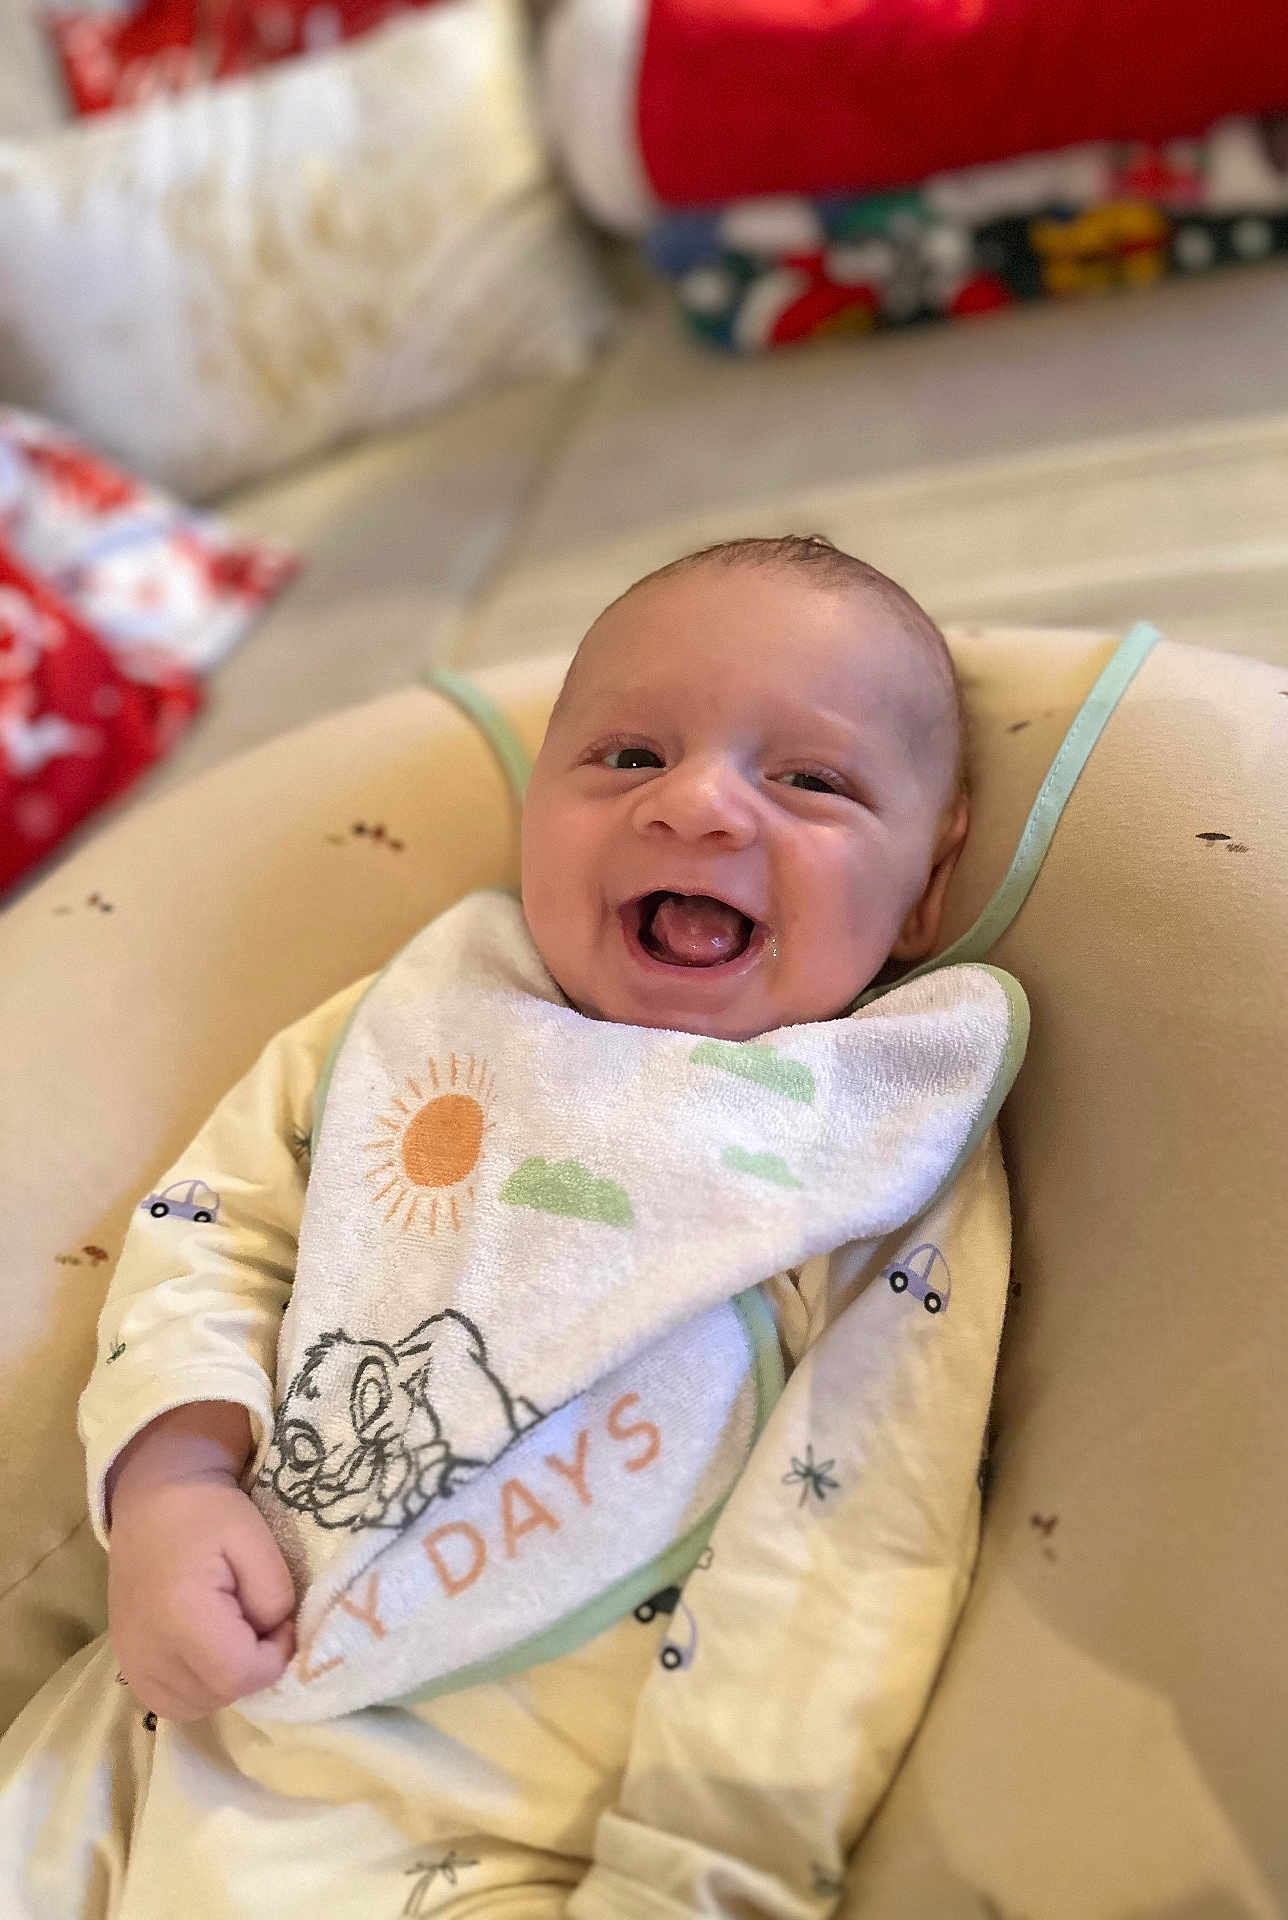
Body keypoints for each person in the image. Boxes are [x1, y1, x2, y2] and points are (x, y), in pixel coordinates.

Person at [0, 536, 1025, 1918]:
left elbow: (856, 1533)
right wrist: (171, 1482)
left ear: (927, 889)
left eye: (810, 780)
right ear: (535, 805)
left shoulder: (871, 1147)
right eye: (627, 758)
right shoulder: (417, 1024)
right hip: (159, 1715)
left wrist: (701, 1872)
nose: (701, 807)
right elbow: (210, 1230)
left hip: (487, 1832)